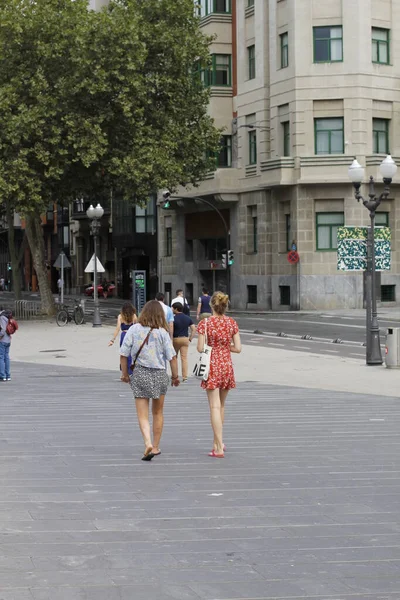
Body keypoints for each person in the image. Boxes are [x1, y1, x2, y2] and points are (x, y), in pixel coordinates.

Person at [120, 300, 180, 461]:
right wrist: (175, 377)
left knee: (143, 414)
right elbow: (172, 357)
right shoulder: (162, 333)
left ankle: (146, 442)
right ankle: (155, 446)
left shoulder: (133, 330)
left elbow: (123, 354)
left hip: (140, 373)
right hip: (160, 374)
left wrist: (125, 374)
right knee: (158, 412)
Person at [197, 292, 241, 458]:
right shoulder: (231, 323)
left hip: (212, 366)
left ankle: (219, 448)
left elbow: (200, 348)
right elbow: (238, 348)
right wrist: (224, 346)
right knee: (221, 405)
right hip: (226, 366)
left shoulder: (205, 323)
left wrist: (213, 346)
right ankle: (218, 442)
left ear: (212, 306)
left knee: (214, 406)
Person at [109, 302, 137, 371]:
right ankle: (130, 369)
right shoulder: (134, 316)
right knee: (131, 353)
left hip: (124, 336)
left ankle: (124, 370)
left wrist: (112, 340)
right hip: (132, 336)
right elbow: (137, 328)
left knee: (123, 353)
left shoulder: (120, 316)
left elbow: (117, 328)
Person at [172, 302, 196, 382]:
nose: (172, 309)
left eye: (172, 308)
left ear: (176, 309)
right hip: (185, 339)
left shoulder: (173, 318)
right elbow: (193, 328)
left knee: (174, 358)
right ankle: (185, 377)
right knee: (184, 358)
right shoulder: (187, 318)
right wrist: (190, 338)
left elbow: (170, 329)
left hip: (175, 339)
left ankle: (175, 376)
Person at [0, 309, 13, 381]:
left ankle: (2, 375)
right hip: (8, 340)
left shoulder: (1, 317)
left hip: (2, 340)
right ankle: (8, 375)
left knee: (1, 357)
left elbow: (3, 330)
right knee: (6, 357)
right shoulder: (8, 316)